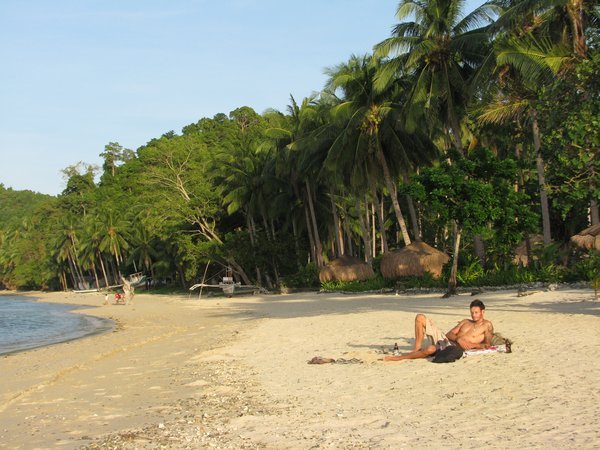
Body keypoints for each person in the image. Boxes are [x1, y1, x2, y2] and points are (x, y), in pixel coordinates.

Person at [383, 299, 493, 362]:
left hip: (453, 347)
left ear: (483, 312)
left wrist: (469, 344)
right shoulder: (466, 321)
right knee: (420, 317)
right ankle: (416, 350)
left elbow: (487, 344)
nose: (473, 315)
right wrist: (459, 339)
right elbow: (449, 334)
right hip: (445, 339)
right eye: (472, 312)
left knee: (430, 349)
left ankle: (400, 357)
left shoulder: (487, 325)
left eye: (476, 313)